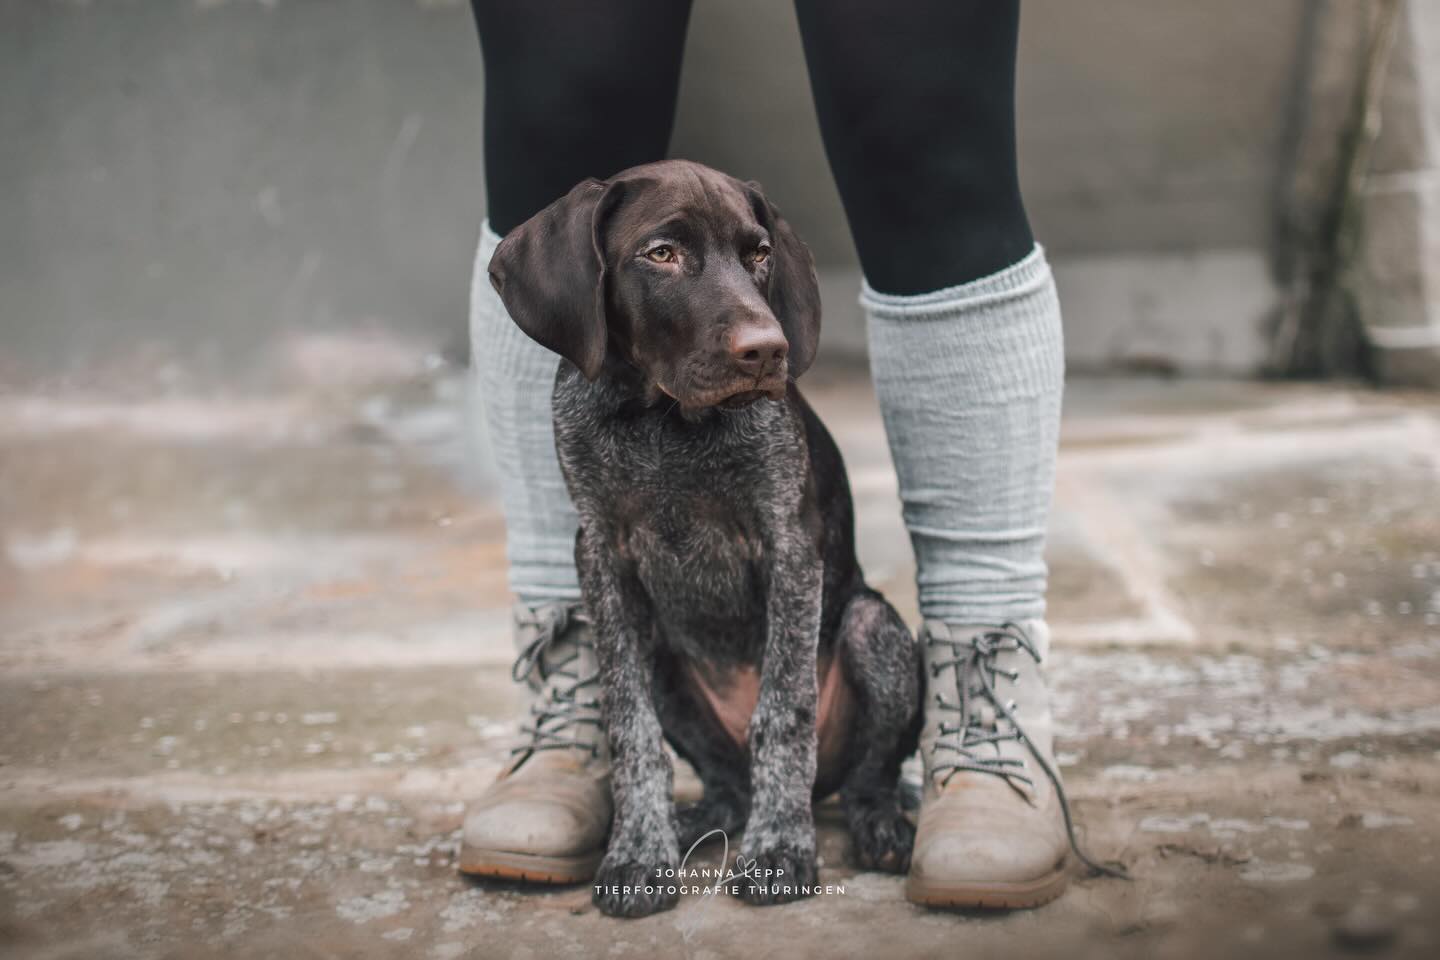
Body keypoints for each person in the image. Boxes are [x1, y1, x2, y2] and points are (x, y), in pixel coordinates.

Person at [460, 0, 1083, 908]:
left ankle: (985, 689)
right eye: (666, 253)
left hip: (821, 676)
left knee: (922, 115)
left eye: (752, 261)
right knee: (563, 103)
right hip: (688, 666)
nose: (758, 325)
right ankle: (577, 693)